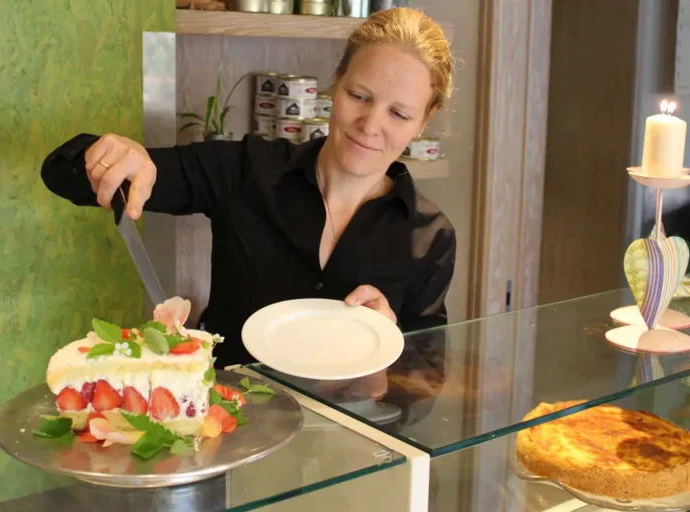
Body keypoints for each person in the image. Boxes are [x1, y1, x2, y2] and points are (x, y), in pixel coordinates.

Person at [41, 7, 457, 370]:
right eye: (359, 96)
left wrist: (389, 353)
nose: (370, 124)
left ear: (425, 119)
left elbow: (424, 382)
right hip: (230, 423)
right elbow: (62, 176)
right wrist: (111, 157)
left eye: (399, 114)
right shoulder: (246, 170)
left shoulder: (430, 236)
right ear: (336, 82)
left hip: (350, 434)